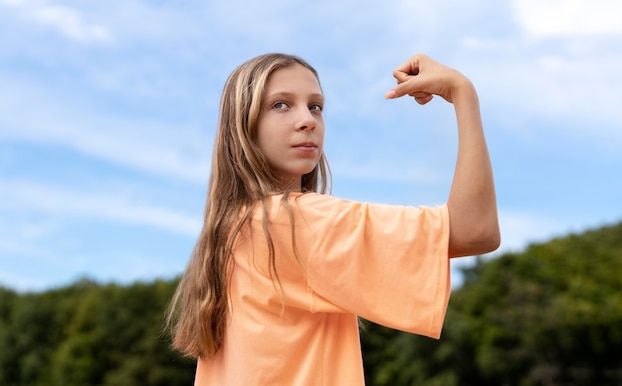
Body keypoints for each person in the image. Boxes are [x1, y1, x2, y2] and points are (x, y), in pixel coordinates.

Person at [166, 52, 500, 385]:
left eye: (315, 106)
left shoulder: (233, 228)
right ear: (244, 127)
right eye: (280, 105)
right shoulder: (294, 222)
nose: (308, 119)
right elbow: (476, 230)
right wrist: (462, 92)